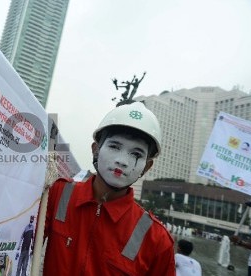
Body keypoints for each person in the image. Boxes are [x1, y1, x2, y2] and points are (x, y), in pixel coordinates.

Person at [42, 101, 175, 275]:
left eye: (136, 154)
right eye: (114, 147)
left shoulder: (157, 239)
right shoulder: (58, 194)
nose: (122, 161)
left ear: (147, 167)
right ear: (95, 150)